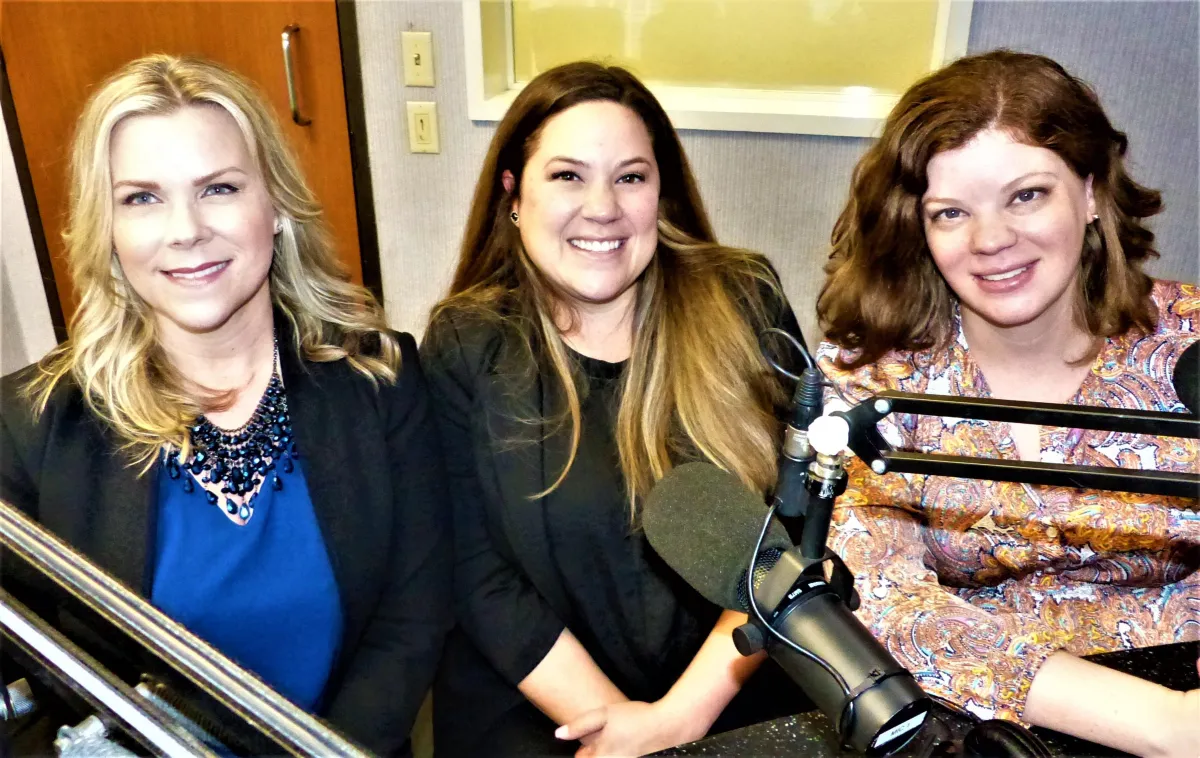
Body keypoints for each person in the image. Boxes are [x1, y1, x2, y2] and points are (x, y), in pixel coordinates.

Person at [0, 55, 449, 756]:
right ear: (108, 232)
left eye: (219, 188)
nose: (186, 230)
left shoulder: (380, 378)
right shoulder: (30, 425)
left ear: (275, 208)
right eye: (141, 198)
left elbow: (412, 619)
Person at [816, 50, 1199, 758]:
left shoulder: (1188, 348)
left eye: (1026, 195)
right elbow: (869, 600)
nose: (990, 240)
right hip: (971, 721)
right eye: (951, 212)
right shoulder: (873, 377)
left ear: (1090, 192)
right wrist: (1161, 727)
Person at [421, 61, 809, 757]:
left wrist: (675, 725)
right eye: (567, 175)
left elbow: (797, 523)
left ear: (660, 193)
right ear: (513, 193)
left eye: (630, 177)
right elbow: (472, 570)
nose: (602, 207)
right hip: (541, 701)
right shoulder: (465, 342)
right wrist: (615, 731)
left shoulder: (744, 299)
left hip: (731, 687)